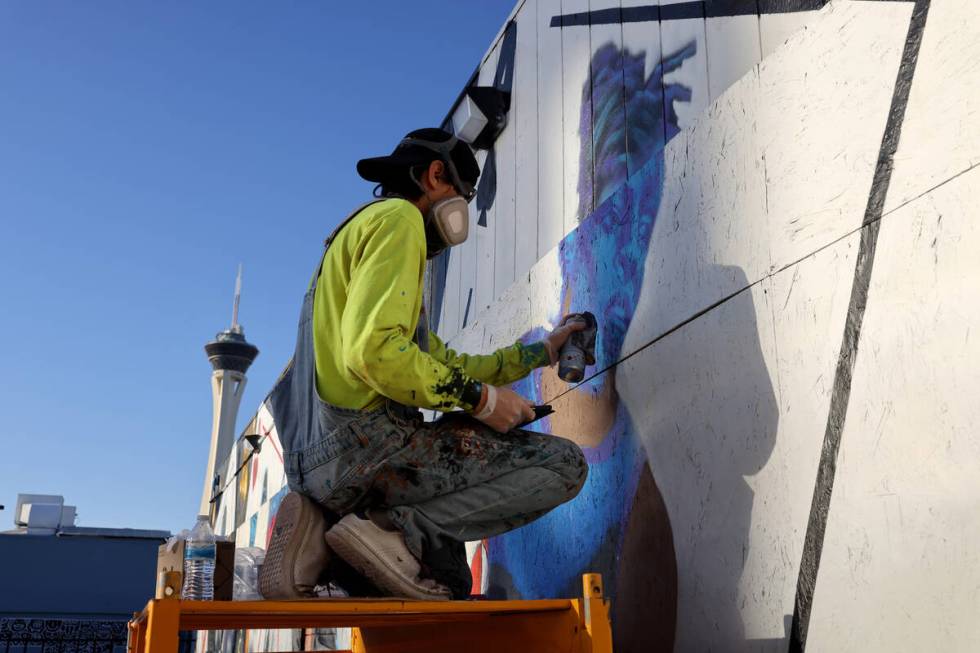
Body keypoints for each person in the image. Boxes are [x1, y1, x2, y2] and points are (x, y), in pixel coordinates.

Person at [258, 128, 588, 601]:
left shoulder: (346, 243)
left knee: (449, 579)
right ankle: (387, 528)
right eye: (463, 195)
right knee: (563, 464)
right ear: (436, 176)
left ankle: (329, 543)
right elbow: (376, 353)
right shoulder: (399, 221)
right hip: (368, 450)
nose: (462, 212)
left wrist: (541, 353)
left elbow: (441, 361)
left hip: (315, 469)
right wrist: (482, 402)